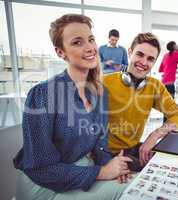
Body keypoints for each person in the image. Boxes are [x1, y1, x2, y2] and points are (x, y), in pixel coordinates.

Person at [13, 14, 132, 200]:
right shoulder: (43, 94)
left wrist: (114, 168)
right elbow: (41, 167)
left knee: (132, 183)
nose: (90, 47)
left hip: (81, 171)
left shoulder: (101, 93)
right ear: (60, 52)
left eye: (90, 39)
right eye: (77, 42)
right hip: (44, 186)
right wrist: (102, 172)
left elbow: (101, 145)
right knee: (131, 190)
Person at [103, 33, 178, 172]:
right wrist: (107, 163)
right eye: (139, 54)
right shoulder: (104, 82)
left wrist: (155, 135)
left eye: (150, 59)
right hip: (106, 154)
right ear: (130, 52)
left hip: (133, 149)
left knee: (174, 165)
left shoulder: (154, 86)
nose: (144, 62)